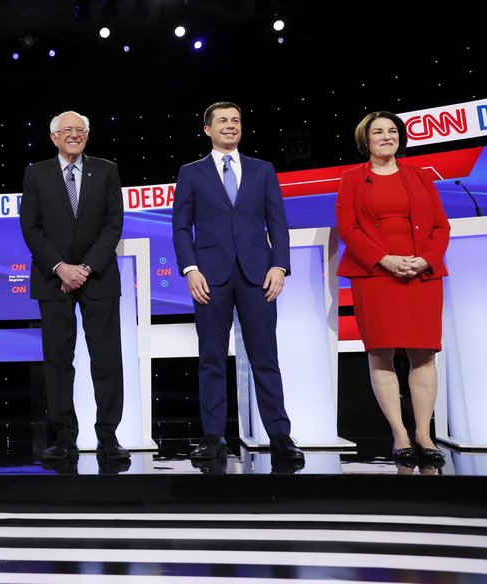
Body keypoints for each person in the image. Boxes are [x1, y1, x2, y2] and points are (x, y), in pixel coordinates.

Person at [172, 102, 304, 463]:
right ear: (207, 130)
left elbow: (278, 222)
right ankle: (213, 437)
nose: (230, 126)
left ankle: (280, 435)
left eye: (236, 121)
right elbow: (181, 227)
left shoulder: (263, 170)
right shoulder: (191, 172)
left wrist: (279, 266)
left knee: (265, 357)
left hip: (258, 275)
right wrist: (190, 269)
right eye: (222, 121)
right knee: (211, 358)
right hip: (209, 278)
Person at [335, 111, 450, 466]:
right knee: (381, 352)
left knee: (424, 353)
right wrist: (384, 259)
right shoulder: (352, 178)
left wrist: (425, 259)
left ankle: (423, 434)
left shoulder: (419, 176)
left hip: (420, 274)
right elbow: (348, 229)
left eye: (392, 131)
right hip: (376, 275)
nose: (387, 137)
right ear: (365, 140)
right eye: (378, 132)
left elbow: (440, 227)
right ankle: (400, 434)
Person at [20, 110, 130, 461]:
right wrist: (60, 268)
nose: (73, 135)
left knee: (107, 359)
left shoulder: (107, 169)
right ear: (53, 137)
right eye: (66, 130)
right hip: (53, 280)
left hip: (98, 278)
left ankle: (108, 436)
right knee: (57, 361)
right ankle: (65, 437)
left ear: (87, 135)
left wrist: (83, 268)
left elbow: (114, 225)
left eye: (79, 130)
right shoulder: (36, 173)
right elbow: (31, 228)